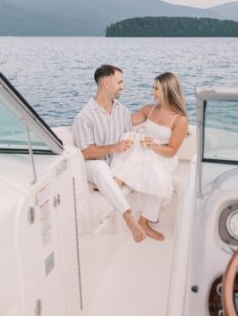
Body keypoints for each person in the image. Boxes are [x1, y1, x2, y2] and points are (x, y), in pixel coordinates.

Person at [73, 64, 155, 243]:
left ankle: (113, 182)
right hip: (92, 166)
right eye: (120, 82)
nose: (123, 86)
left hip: (117, 165)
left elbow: (129, 144)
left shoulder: (123, 112)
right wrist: (113, 148)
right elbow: (86, 152)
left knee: (148, 163)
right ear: (106, 83)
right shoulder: (84, 117)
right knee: (101, 166)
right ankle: (129, 218)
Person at [110, 72, 188, 241]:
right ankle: (118, 180)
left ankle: (143, 221)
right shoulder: (149, 109)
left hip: (163, 157)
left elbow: (172, 150)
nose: (152, 92)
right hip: (145, 151)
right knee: (130, 138)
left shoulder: (180, 120)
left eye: (156, 89)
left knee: (157, 177)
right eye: (152, 88)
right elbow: (125, 123)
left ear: (168, 91)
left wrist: (153, 145)